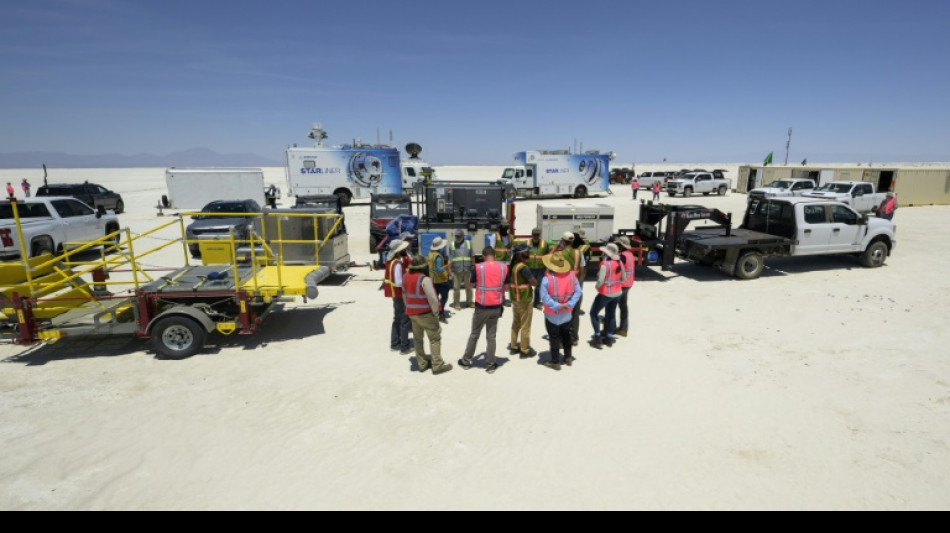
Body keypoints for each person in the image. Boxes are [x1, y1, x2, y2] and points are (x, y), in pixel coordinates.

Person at [458, 246, 509, 374]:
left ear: (483, 256)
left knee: (475, 334)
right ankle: (491, 364)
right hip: (496, 306)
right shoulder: (504, 267)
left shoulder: (478, 267)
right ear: (495, 256)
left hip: (482, 306)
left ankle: (466, 360)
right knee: (491, 336)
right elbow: (507, 288)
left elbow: (471, 285)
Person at [403, 255, 453, 375]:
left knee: (418, 339)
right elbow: (433, 298)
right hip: (425, 313)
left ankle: (422, 364)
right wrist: (436, 312)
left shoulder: (405, 277)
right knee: (435, 338)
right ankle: (437, 365)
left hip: (412, 313)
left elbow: (404, 295)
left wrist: (409, 308)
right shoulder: (424, 279)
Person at [538, 253, 583, 371]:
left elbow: (544, 297)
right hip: (567, 313)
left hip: (552, 314)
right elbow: (578, 292)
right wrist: (569, 304)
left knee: (554, 337)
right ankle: (568, 357)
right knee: (566, 334)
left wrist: (557, 306)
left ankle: (555, 361)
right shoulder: (572, 277)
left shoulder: (546, 279)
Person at [589, 243, 626, 348]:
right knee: (611, 314)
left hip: (605, 293)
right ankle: (609, 338)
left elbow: (600, 280)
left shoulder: (605, 264)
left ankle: (597, 337)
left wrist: (597, 287)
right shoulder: (620, 262)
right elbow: (623, 278)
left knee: (593, 313)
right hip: (617, 292)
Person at [555, 231, 586, 347]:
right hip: (576, 286)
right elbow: (583, 273)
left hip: (563, 289)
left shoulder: (559, 254)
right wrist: (579, 286)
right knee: (575, 313)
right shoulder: (579, 253)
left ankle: (563, 340)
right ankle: (574, 338)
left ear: (563, 241)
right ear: (573, 241)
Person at [507, 243, 538, 359]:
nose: (528, 253)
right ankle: (525, 350)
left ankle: (514, 346)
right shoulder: (523, 268)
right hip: (525, 299)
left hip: (515, 299)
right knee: (525, 325)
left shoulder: (514, 266)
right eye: (526, 252)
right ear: (520, 255)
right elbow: (534, 283)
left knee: (516, 323)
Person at [384, 240, 413, 354]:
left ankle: (395, 343)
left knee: (397, 318)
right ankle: (403, 346)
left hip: (395, 294)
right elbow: (399, 282)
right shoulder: (397, 264)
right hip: (399, 294)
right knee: (404, 319)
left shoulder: (390, 261)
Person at [615, 237, 637, 337]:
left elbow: (618, 269)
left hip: (622, 284)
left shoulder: (623, 256)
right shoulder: (630, 254)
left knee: (612, 305)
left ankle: (610, 328)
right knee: (623, 306)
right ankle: (623, 329)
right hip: (629, 284)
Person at [427, 236, 451, 323]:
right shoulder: (438, 256)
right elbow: (439, 269)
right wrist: (447, 266)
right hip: (440, 280)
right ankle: (441, 312)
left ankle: (434, 312)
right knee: (444, 296)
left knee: (435, 297)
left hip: (432, 279)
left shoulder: (430, 254)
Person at [449, 228, 474, 310]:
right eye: (456, 236)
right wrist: (449, 268)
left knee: (469, 287)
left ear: (463, 236)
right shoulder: (452, 244)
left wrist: (473, 265)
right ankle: (456, 303)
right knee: (456, 287)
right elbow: (450, 258)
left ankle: (469, 302)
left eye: (459, 236)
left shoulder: (468, 243)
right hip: (456, 269)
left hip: (467, 268)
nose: (458, 238)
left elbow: (472, 255)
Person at [525, 227, 549, 309]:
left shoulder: (544, 244)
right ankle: (527, 302)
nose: (536, 236)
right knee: (527, 286)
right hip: (529, 268)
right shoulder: (527, 243)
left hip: (540, 268)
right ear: (532, 235)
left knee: (539, 286)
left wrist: (547, 268)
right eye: (534, 235)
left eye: (537, 235)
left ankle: (536, 302)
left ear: (539, 235)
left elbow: (547, 257)